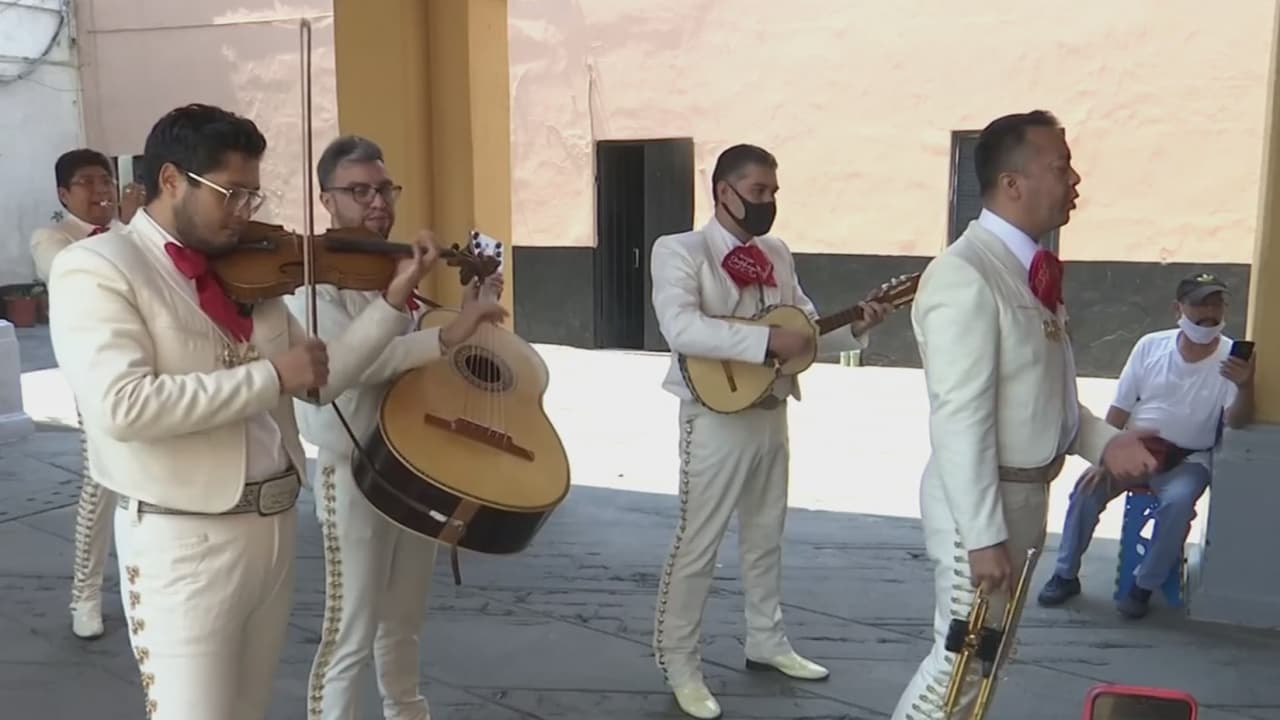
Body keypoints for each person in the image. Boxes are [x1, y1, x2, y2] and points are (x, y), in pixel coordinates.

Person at [47, 104, 432, 720]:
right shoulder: (98, 267)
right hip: (184, 538)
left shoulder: (249, 272)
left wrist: (391, 302)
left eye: (253, 195)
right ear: (171, 180)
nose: (245, 212)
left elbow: (321, 379)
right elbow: (123, 406)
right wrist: (270, 376)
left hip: (272, 528)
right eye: (232, 194)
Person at [889, 111, 1159, 720]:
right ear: (1012, 184)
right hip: (981, 505)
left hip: (1021, 497)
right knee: (956, 670)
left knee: (983, 666)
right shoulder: (965, 274)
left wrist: (1106, 442)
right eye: (1061, 167)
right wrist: (983, 537)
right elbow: (960, 417)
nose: (1075, 180)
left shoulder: (1025, 270)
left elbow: (1043, 397)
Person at [649, 143, 894, 720]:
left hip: (771, 409)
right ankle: (679, 662)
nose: (768, 202)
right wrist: (763, 341)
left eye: (774, 192)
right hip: (714, 416)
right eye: (758, 191)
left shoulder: (777, 253)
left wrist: (855, 327)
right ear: (724, 192)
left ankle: (767, 638)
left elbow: (803, 326)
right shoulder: (680, 250)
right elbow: (680, 327)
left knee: (765, 536)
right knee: (697, 543)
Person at [285, 135, 507, 720]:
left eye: (385, 189)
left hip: (414, 464)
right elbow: (351, 365)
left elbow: (424, 366)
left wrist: (471, 309)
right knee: (350, 629)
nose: (378, 202)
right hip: (352, 469)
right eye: (359, 191)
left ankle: (408, 710)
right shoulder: (309, 282)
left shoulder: (399, 269)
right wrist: (444, 334)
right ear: (327, 200)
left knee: (404, 620)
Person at [1038, 272, 1255, 618]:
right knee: (1085, 490)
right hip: (1136, 448)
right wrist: (1103, 453)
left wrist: (1244, 386)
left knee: (1179, 504)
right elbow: (1120, 407)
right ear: (1178, 309)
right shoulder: (1150, 346)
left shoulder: (1231, 359)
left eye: (1216, 304)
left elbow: (1237, 420)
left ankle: (1143, 585)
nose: (1209, 313)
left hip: (1188, 459)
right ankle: (1064, 575)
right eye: (1199, 304)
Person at [30, 148, 145, 639]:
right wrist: (130, 230)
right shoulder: (52, 239)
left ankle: (143, 588)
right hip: (94, 371)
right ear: (64, 194)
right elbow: (71, 272)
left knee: (145, 482)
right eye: (87, 182)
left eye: (106, 180)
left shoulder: (132, 232)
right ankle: (85, 594)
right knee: (101, 482)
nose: (101, 190)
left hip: (144, 365)